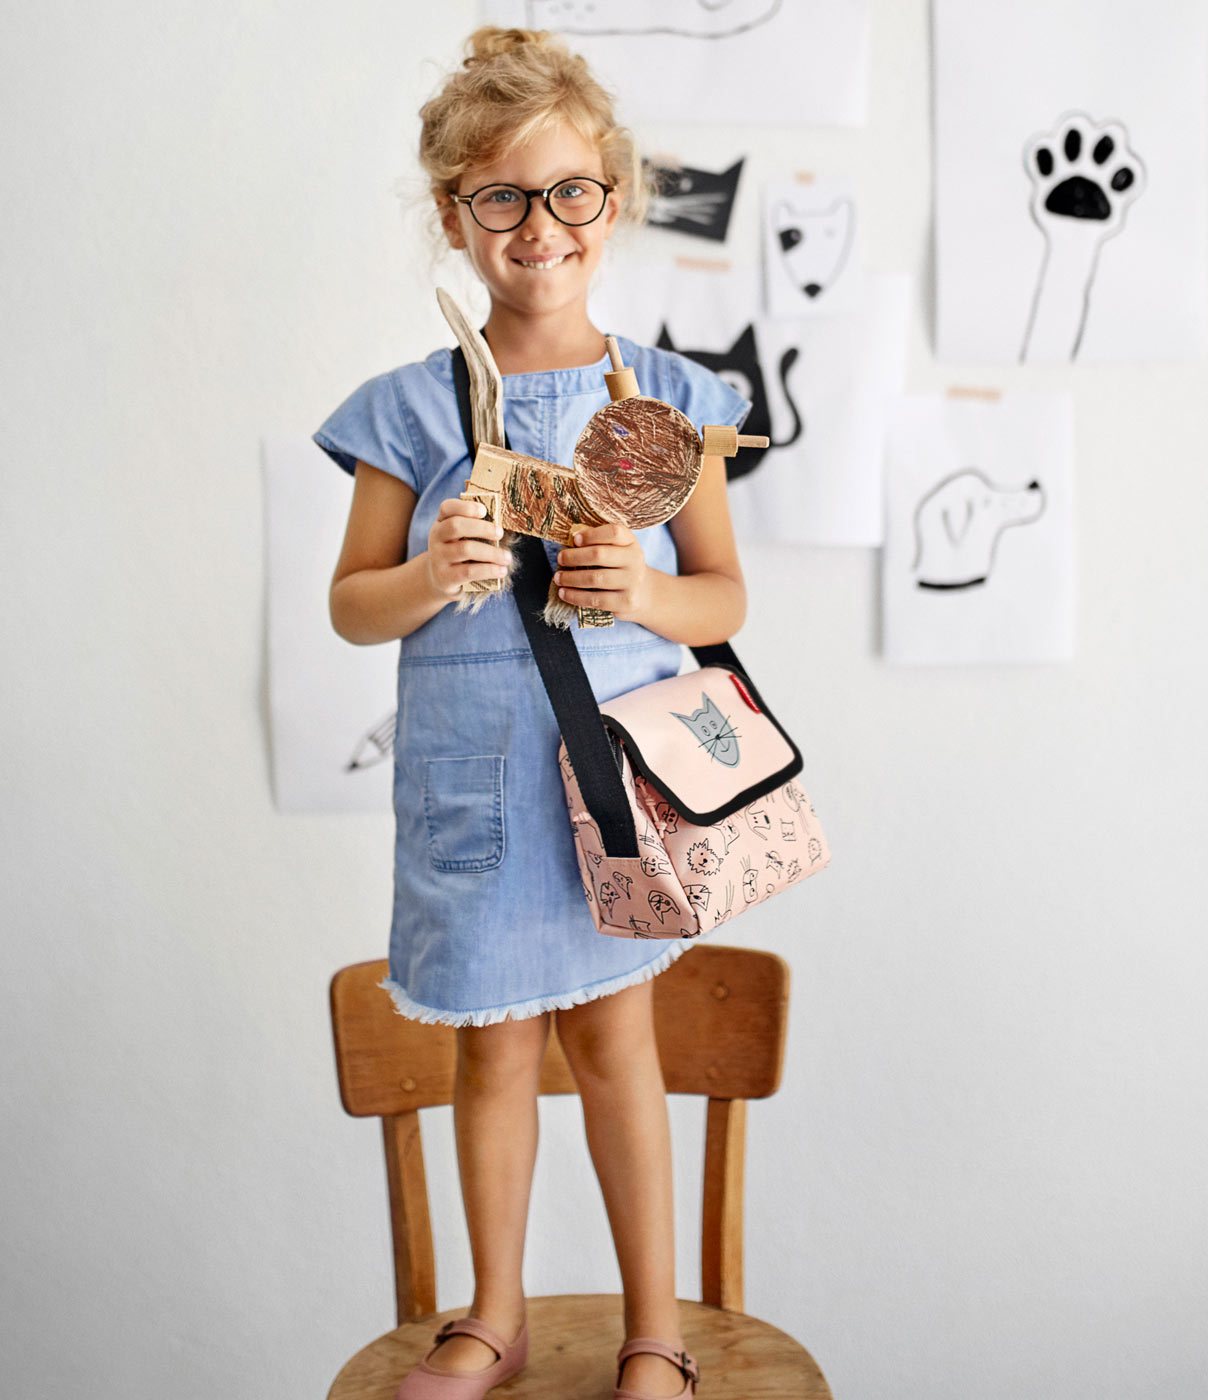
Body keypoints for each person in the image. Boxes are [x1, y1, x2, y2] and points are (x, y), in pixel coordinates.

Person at [312, 25, 750, 1400]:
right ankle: (490, 1319)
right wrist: (431, 573)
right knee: (490, 1055)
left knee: (619, 1048)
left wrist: (646, 592)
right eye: (501, 196)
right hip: (477, 795)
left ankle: (655, 1335)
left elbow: (725, 595)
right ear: (455, 216)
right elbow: (352, 606)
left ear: (613, 200)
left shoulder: (669, 402)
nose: (539, 225)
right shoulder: (407, 411)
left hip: (619, 787)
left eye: (568, 191)